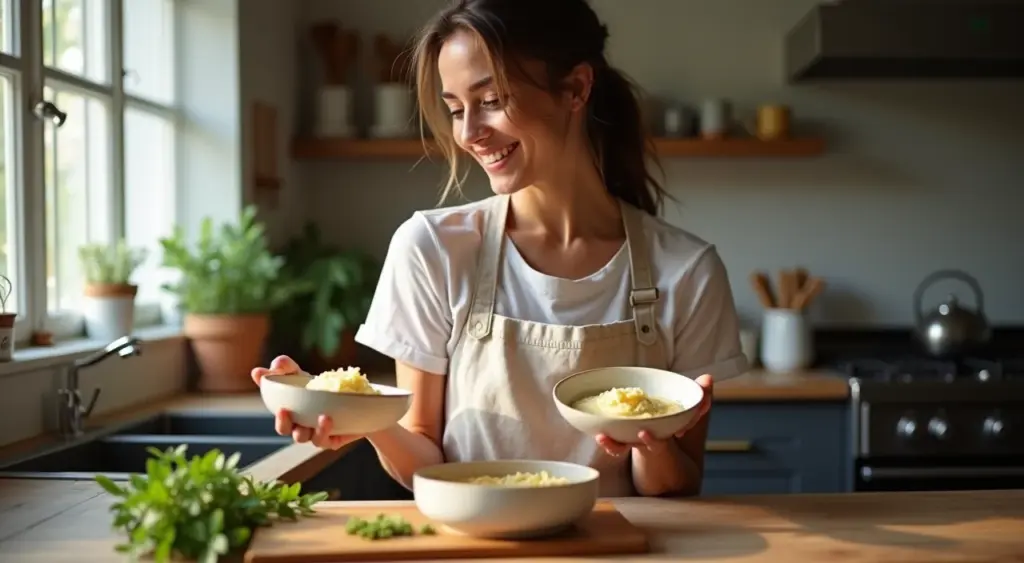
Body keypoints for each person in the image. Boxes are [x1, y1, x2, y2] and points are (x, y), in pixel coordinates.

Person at [251, 0, 748, 498]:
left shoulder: (686, 270)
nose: (469, 134)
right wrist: (359, 416)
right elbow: (424, 457)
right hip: (477, 537)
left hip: (617, 538)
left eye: (490, 100)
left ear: (576, 88)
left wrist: (652, 445)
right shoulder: (432, 249)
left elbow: (678, 486)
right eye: (455, 109)